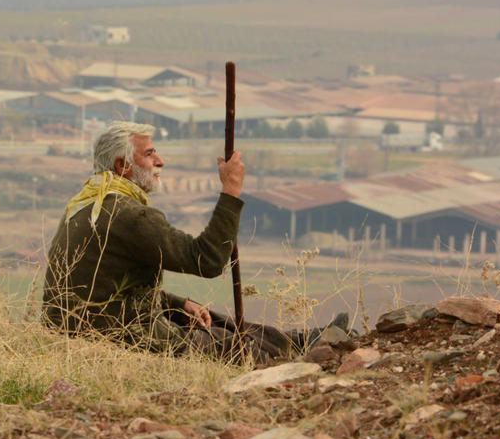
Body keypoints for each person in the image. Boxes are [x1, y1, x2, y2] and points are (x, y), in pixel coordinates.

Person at [42, 120, 308, 363]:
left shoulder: (83, 205)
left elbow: (103, 288)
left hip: (82, 326)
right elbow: (208, 260)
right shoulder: (130, 216)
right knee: (231, 344)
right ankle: (303, 353)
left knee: (210, 320)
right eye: (149, 154)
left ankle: (303, 341)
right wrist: (231, 190)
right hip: (118, 335)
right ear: (123, 166)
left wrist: (177, 304)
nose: (160, 161)